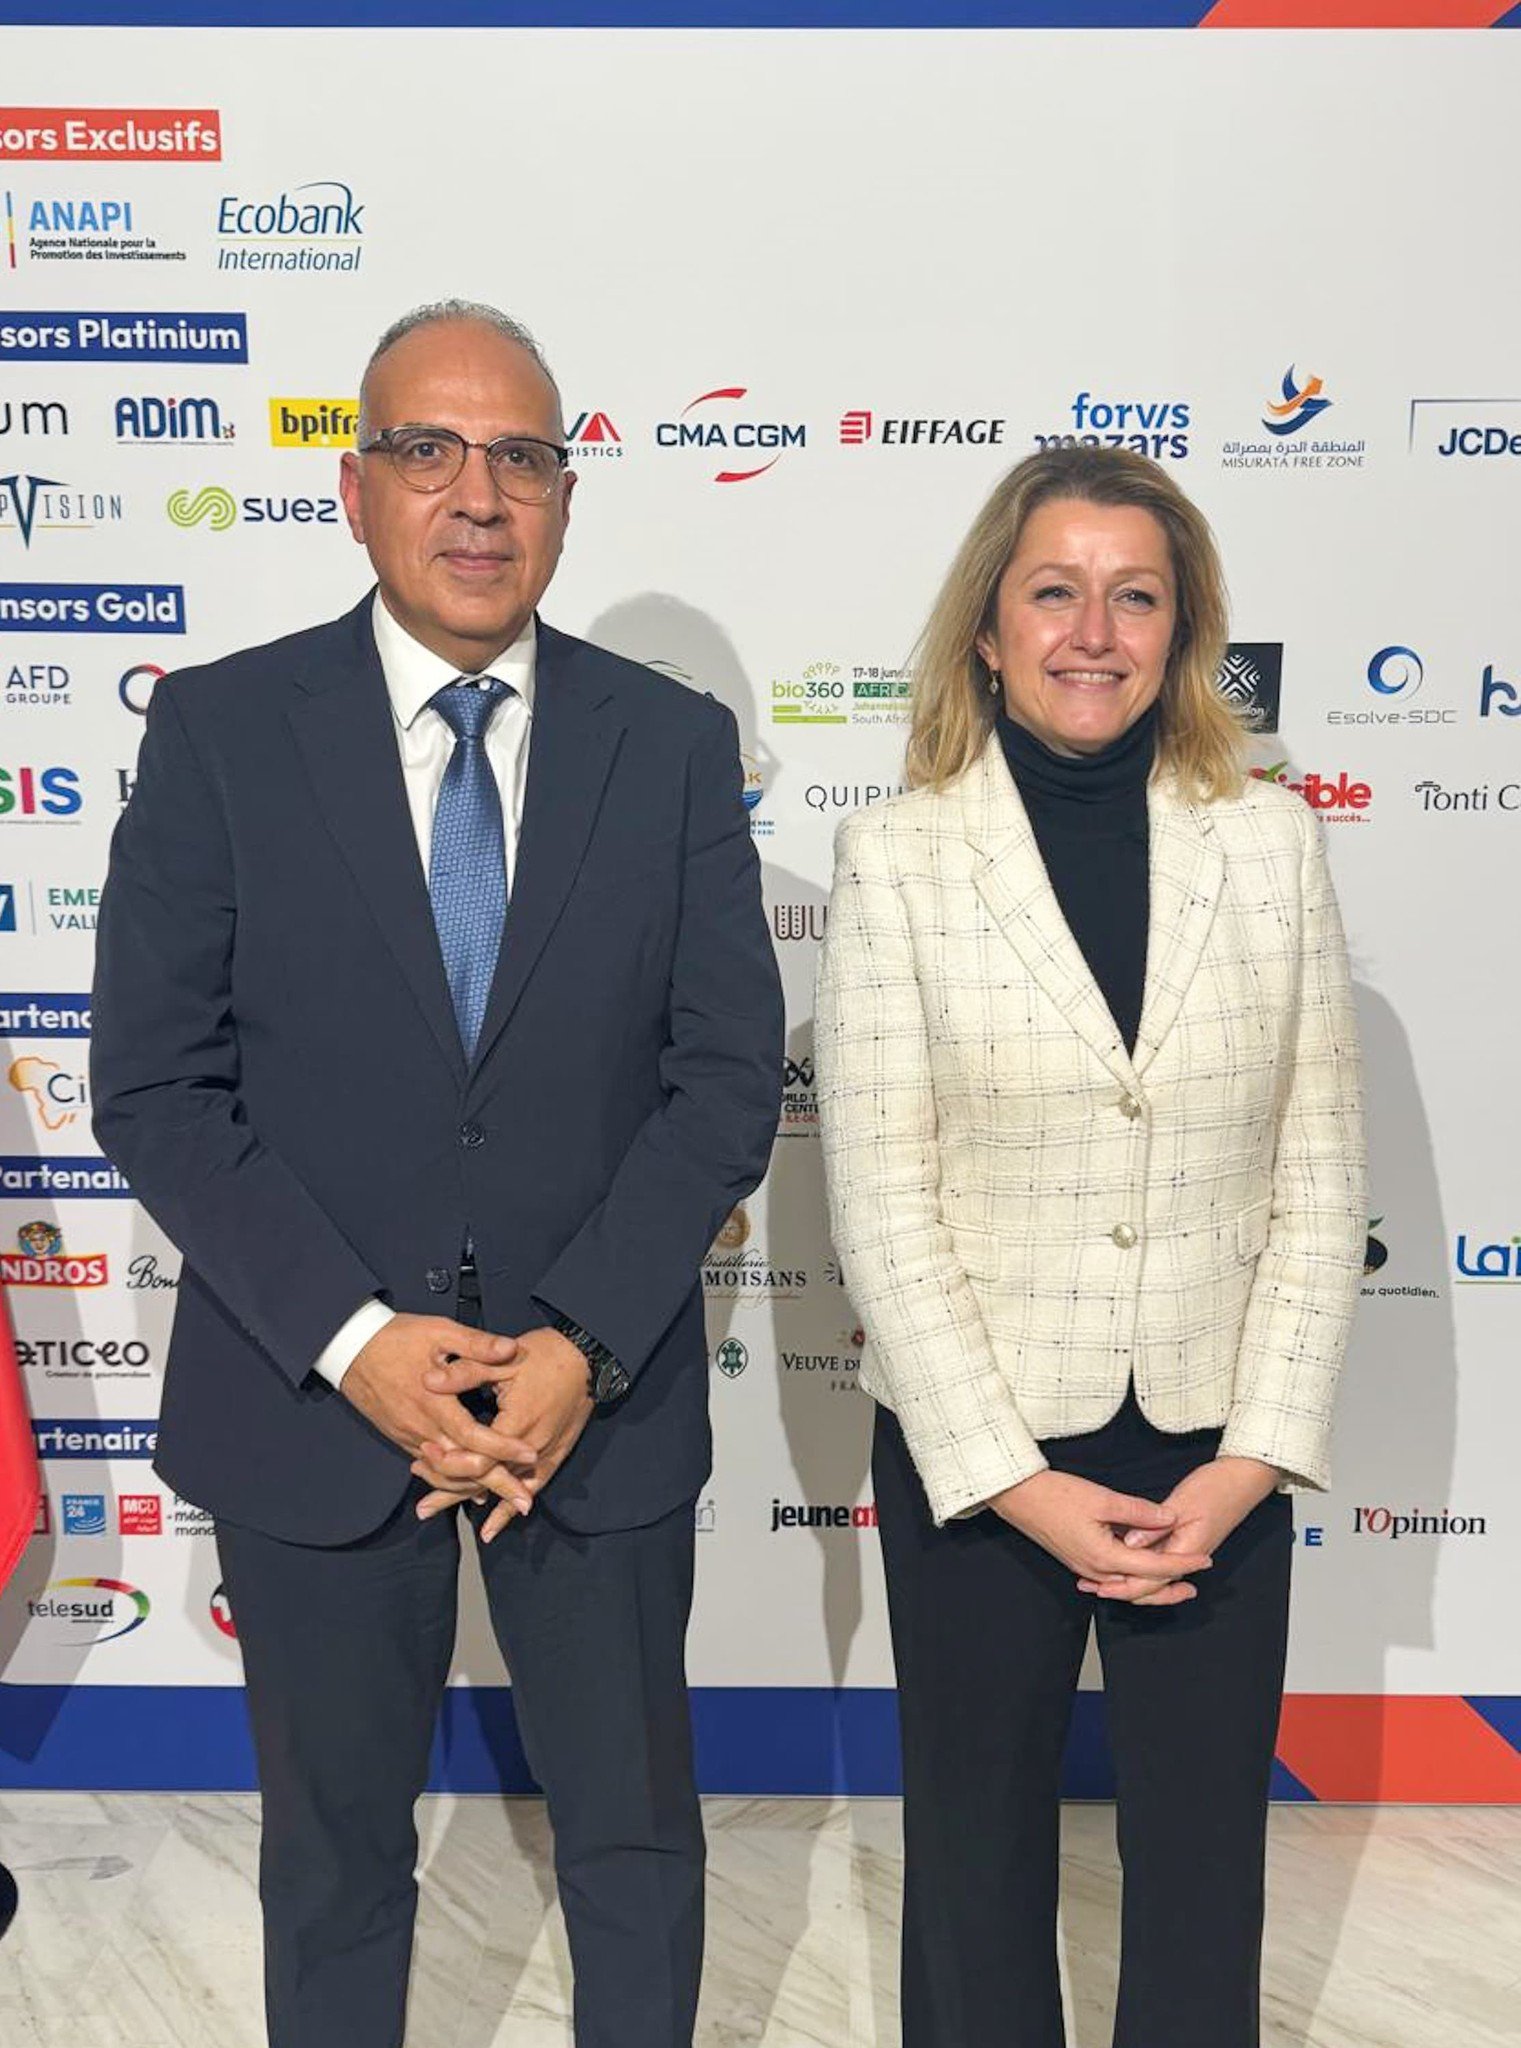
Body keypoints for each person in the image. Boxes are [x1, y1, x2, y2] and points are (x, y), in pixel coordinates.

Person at [91, 299, 784, 2048]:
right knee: (333, 1867)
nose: (478, 495)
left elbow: (722, 1084)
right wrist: (355, 1342)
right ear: (356, 487)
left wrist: (581, 1345)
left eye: (520, 457)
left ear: (564, 495)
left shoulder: (668, 745)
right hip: (313, 1401)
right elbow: (157, 1087)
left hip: (593, 1405)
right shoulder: (222, 731)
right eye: (428, 450)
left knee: (632, 1847)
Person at [815, 444, 1365, 2048]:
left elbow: (1319, 1177)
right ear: (987, 629)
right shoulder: (897, 857)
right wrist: (1015, 1480)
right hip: (981, 1454)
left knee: (1200, 1871)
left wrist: (1252, 1459)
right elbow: (881, 1202)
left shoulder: (1270, 844)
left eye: (1134, 597)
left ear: (1180, 631)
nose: (1091, 633)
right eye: (1052, 592)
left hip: (1212, 1452)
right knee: (973, 1868)